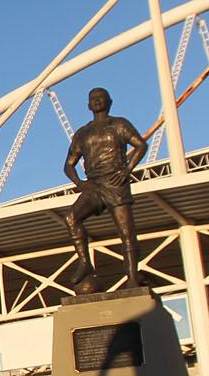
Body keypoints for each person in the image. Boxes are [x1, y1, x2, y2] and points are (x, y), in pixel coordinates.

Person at [60, 86, 150, 293]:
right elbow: (69, 164)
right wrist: (80, 184)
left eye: (101, 98)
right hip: (95, 185)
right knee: (71, 218)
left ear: (109, 102)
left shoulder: (119, 124)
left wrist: (127, 170)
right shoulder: (82, 133)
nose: (97, 101)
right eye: (93, 99)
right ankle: (85, 262)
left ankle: (132, 277)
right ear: (88, 105)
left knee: (127, 233)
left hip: (116, 183)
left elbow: (140, 145)